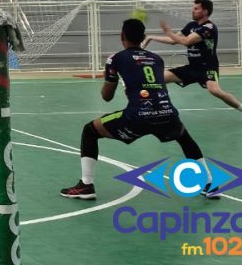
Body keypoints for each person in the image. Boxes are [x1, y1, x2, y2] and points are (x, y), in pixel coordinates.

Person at [60, 19, 216, 200]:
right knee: (184, 138)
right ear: (143, 38)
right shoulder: (157, 59)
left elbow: (107, 97)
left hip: (138, 116)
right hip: (167, 113)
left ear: (122, 36)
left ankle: (86, 185)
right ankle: (209, 182)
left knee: (90, 130)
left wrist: (111, 78)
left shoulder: (116, 59)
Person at [143, 0, 242, 125]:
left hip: (208, 67)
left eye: (196, 8)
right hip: (192, 67)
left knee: (215, 90)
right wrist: (151, 37)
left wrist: (169, 32)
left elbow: (186, 41)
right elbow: (174, 40)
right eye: (193, 8)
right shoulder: (191, 26)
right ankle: (152, 110)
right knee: (158, 79)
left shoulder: (209, 27)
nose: (193, 10)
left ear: (205, 11)